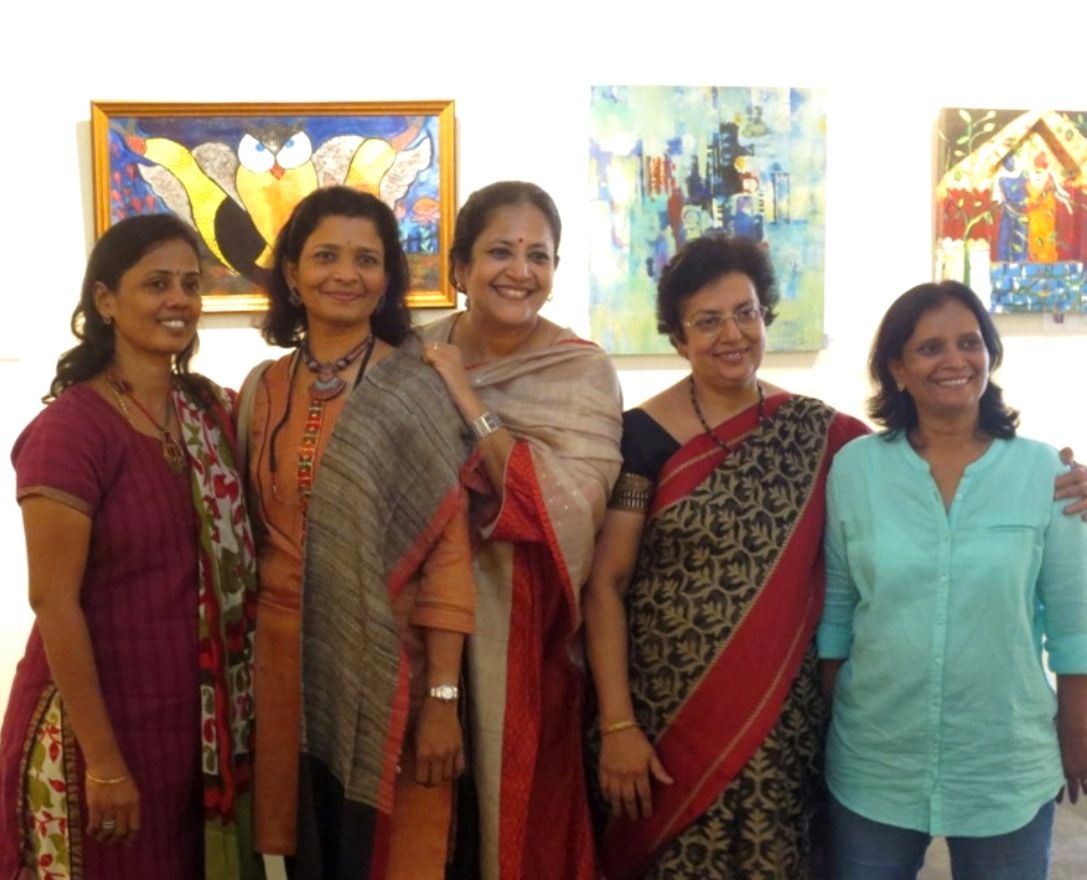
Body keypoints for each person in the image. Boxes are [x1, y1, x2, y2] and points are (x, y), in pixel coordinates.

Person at [583, 234, 869, 879]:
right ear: (678, 338)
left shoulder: (821, 434)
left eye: (746, 313)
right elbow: (606, 584)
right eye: (708, 321)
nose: (732, 335)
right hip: (663, 718)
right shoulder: (642, 438)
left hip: (780, 719)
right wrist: (618, 725)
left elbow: (919, 471)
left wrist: (1052, 478)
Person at [0, 214, 258, 879]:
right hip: (96, 734)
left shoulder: (211, 413)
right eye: (156, 283)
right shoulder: (71, 432)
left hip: (196, 731)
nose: (179, 300)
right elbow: (54, 603)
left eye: (191, 284)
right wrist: (105, 763)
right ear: (106, 300)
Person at [817, 280, 1087, 879]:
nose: (955, 360)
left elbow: (1074, 625)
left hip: (1003, 759)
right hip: (877, 757)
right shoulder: (856, 469)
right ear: (897, 368)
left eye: (969, 342)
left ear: (990, 354)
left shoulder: (1045, 471)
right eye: (930, 347)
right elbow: (837, 612)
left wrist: (1077, 728)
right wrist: (834, 724)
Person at [246, 186, 473, 879]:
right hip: (280, 669)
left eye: (366, 259)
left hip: (389, 669)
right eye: (325, 257)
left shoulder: (417, 388)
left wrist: (442, 699)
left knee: (387, 856)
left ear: (387, 276)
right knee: (299, 851)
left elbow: (449, 557)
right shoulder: (262, 388)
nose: (345, 274)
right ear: (291, 273)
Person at [420, 180, 624, 880]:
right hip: (417, 627)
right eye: (499, 251)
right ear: (460, 267)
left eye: (538, 255)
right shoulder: (415, 353)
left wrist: (466, 397)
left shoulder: (580, 370)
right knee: (426, 830)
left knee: (518, 827)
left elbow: (561, 509)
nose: (520, 270)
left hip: (529, 636)